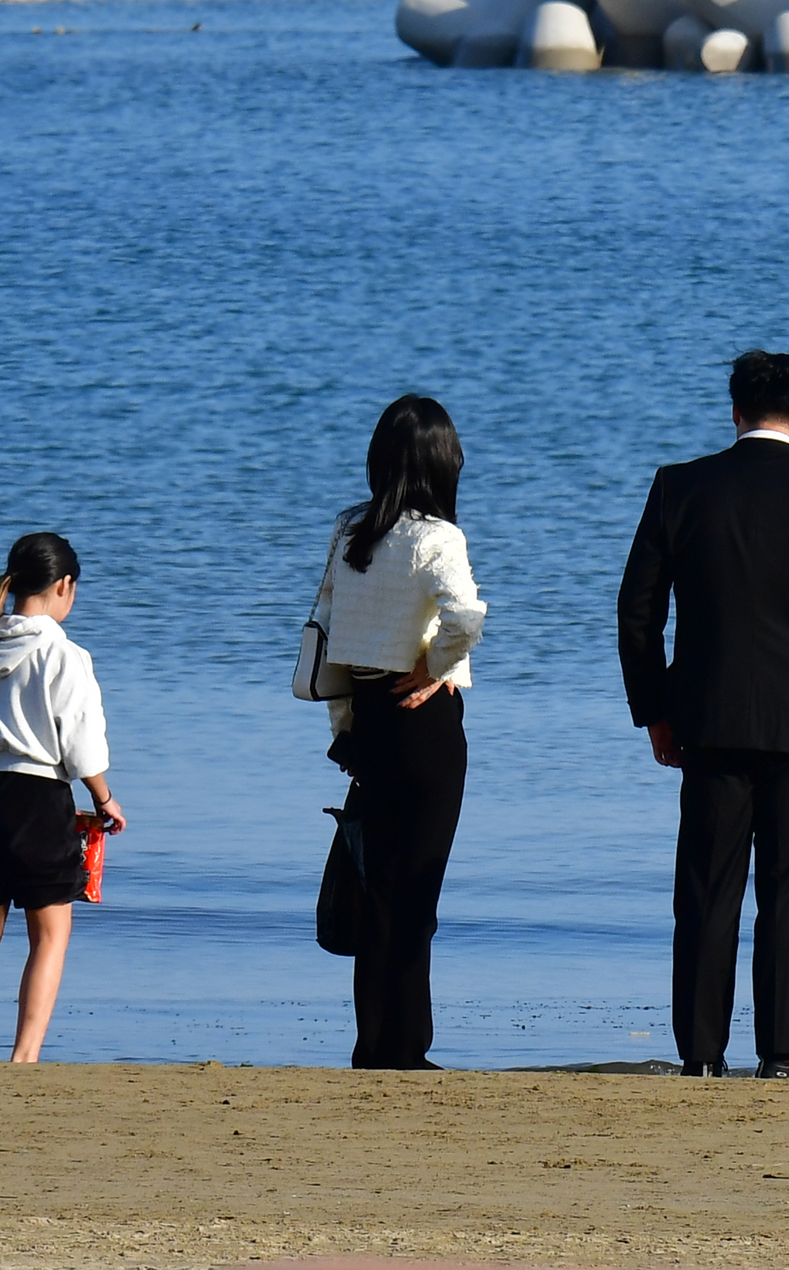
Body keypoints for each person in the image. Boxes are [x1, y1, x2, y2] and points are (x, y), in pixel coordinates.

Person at [618, 350, 789, 1079]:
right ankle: (784, 1052)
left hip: (708, 718)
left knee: (707, 889)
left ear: (736, 412)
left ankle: (701, 1055)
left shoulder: (679, 487)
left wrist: (655, 710)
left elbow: (637, 611)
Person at [314, 394, 486, 1070]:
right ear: (442, 463)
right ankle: (407, 1047)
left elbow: (326, 631)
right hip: (424, 722)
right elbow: (466, 617)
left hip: (368, 717)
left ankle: (373, 1043)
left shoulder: (349, 529)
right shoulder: (438, 536)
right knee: (418, 893)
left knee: (379, 887)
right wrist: (433, 666)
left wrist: (344, 726)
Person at [0, 532, 125, 1063]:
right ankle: (24, 1058)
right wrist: (104, 798)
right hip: (37, 794)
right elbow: (82, 742)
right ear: (64, 586)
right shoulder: (64, 654)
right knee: (50, 934)